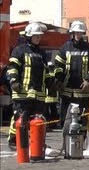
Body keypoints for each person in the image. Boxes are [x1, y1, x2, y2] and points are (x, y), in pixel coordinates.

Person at [6, 22, 53, 150]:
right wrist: (14, 81)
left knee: (38, 120)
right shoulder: (19, 50)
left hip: (38, 93)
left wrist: (51, 83)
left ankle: (37, 143)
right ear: (29, 36)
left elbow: (47, 71)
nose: (38, 38)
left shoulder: (42, 53)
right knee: (20, 117)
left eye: (39, 36)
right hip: (22, 92)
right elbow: (13, 68)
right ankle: (14, 141)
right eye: (36, 36)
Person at [55, 21, 89, 142]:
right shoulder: (65, 48)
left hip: (83, 91)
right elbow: (58, 65)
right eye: (77, 33)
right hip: (67, 90)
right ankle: (67, 141)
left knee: (82, 119)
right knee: (65, 118)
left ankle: (81, 141)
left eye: (81, 33)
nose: (79, 35)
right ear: (72, 33)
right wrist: (58, 79)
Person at [45, 61, 59, 131]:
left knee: (47, 112)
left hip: (47, 97)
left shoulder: (46, 73)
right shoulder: (54, 73)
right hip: (54, 96)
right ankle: (54, 124)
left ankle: (47, 124)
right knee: (54, 111)